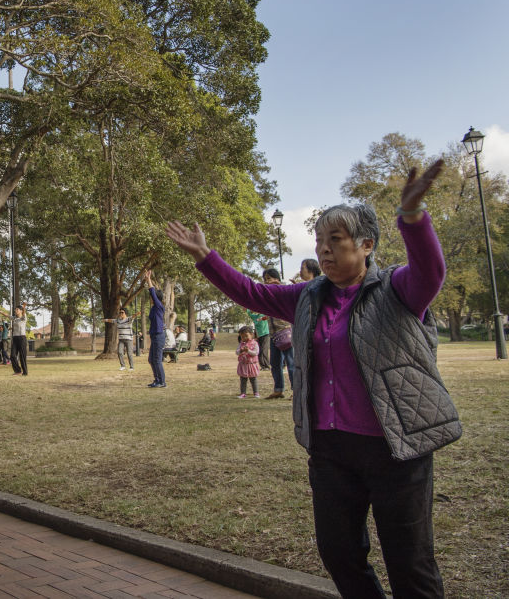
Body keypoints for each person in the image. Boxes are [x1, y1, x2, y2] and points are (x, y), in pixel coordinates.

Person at [165, 160, 459, 598]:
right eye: (319, 242)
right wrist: (206, 258)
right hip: (331, 449)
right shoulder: (308, 296)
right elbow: (252, 292)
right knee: (339, 554)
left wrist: (413, 218)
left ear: (366, 245)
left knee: (409, 563)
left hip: (396, 447)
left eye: (335, 241)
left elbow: (430, 273)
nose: (323, 251)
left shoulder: (397, 290)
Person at [262, 268, 295, 400]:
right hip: (273, 334)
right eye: (265, 279)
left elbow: (291, 294)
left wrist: (280, 285)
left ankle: (296, 390)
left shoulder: (283, 290)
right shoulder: (267, 295)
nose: (267, 282)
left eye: (269, 278)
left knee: (291, 363)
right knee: (275, 364)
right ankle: (278, 389)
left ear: (277, 279)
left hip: (286, 331)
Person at [143, 270, 166, 388]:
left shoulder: (159, 306)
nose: (151, 297)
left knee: (156, 360)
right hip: (154, 336)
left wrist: (148, 280)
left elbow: (152, 292)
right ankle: (157, 380)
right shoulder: (154, 308)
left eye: (153, 296)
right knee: (151, 359)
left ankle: (162, 382)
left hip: (159, 336)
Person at [235, 326, 260, 399]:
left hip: (251, 364)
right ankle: (243, 393)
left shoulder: (255, 343)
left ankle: (256, 392)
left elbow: (256, 353)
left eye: (246, 336)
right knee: (243, 379)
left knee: (253, 379)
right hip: (243, 365)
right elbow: (236, 352)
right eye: (242, 337)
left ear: (251, 335)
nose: (245, 338)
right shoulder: (241, 344)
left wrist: (248, 351)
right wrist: (241, 351)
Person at [10, 303, 28, 376]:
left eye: (17, 309)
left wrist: (24, 307)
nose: (15, 310)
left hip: (22, 338)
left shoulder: (23, 318)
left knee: (22, 356)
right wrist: (1, 312)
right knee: (12, 355)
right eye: (15, 309)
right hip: (15, 338)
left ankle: (25, 372)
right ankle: (17, 371)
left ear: (21, 311)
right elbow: (8, 316)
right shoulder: (14, 318)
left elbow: (24, 313)